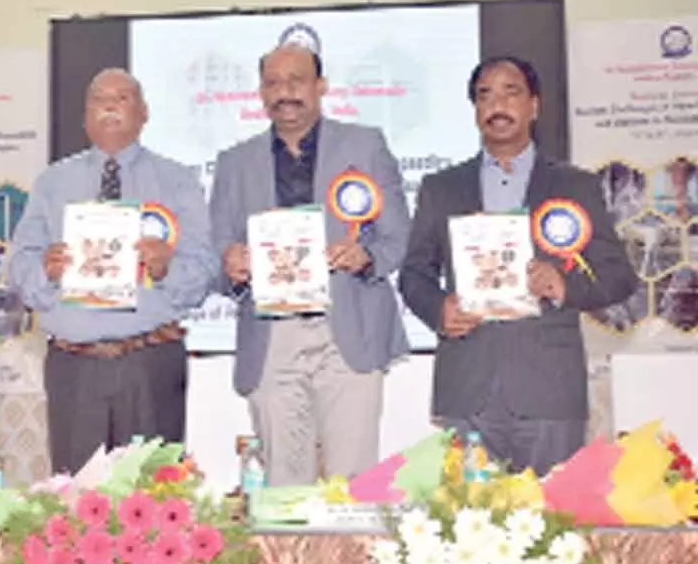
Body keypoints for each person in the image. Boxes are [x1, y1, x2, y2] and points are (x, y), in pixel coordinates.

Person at [399, 56, 637, 475]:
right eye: (484, 95)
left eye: (511, 92)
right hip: (467, 386)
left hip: (549, 389)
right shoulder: (441, 188)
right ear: (475, 110)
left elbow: (618, 278)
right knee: (464, 528)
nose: (497, 105)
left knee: (552, 527)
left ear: (534, 106)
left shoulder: (574, 185)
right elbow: (414, 274)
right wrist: (439, 310)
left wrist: (565, 286)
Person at [209, 44, 411, 486]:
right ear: (260, 94)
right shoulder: (233, 163)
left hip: (348, 330)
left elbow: (397, 237)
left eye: (296, 80)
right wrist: (230, 262)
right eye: (273, 83)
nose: (285, 92)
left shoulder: (366, 145)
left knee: (354, 486)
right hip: (271, 336)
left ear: (321, 86)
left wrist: (366, 256)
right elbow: (215, 250)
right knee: (282, 485)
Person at [7, 68, 218, 475]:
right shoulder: (52, 182)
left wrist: (168, 266)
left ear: (144, 114)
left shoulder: (177, 182)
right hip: (75, 366)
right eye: (97, 99)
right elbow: (19, 267)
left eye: (121, 98)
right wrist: (46, 271)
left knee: (155, 504)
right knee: (76, 507)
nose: (108, 105)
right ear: (85, 118)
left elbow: (206, 269)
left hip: (150, 362)